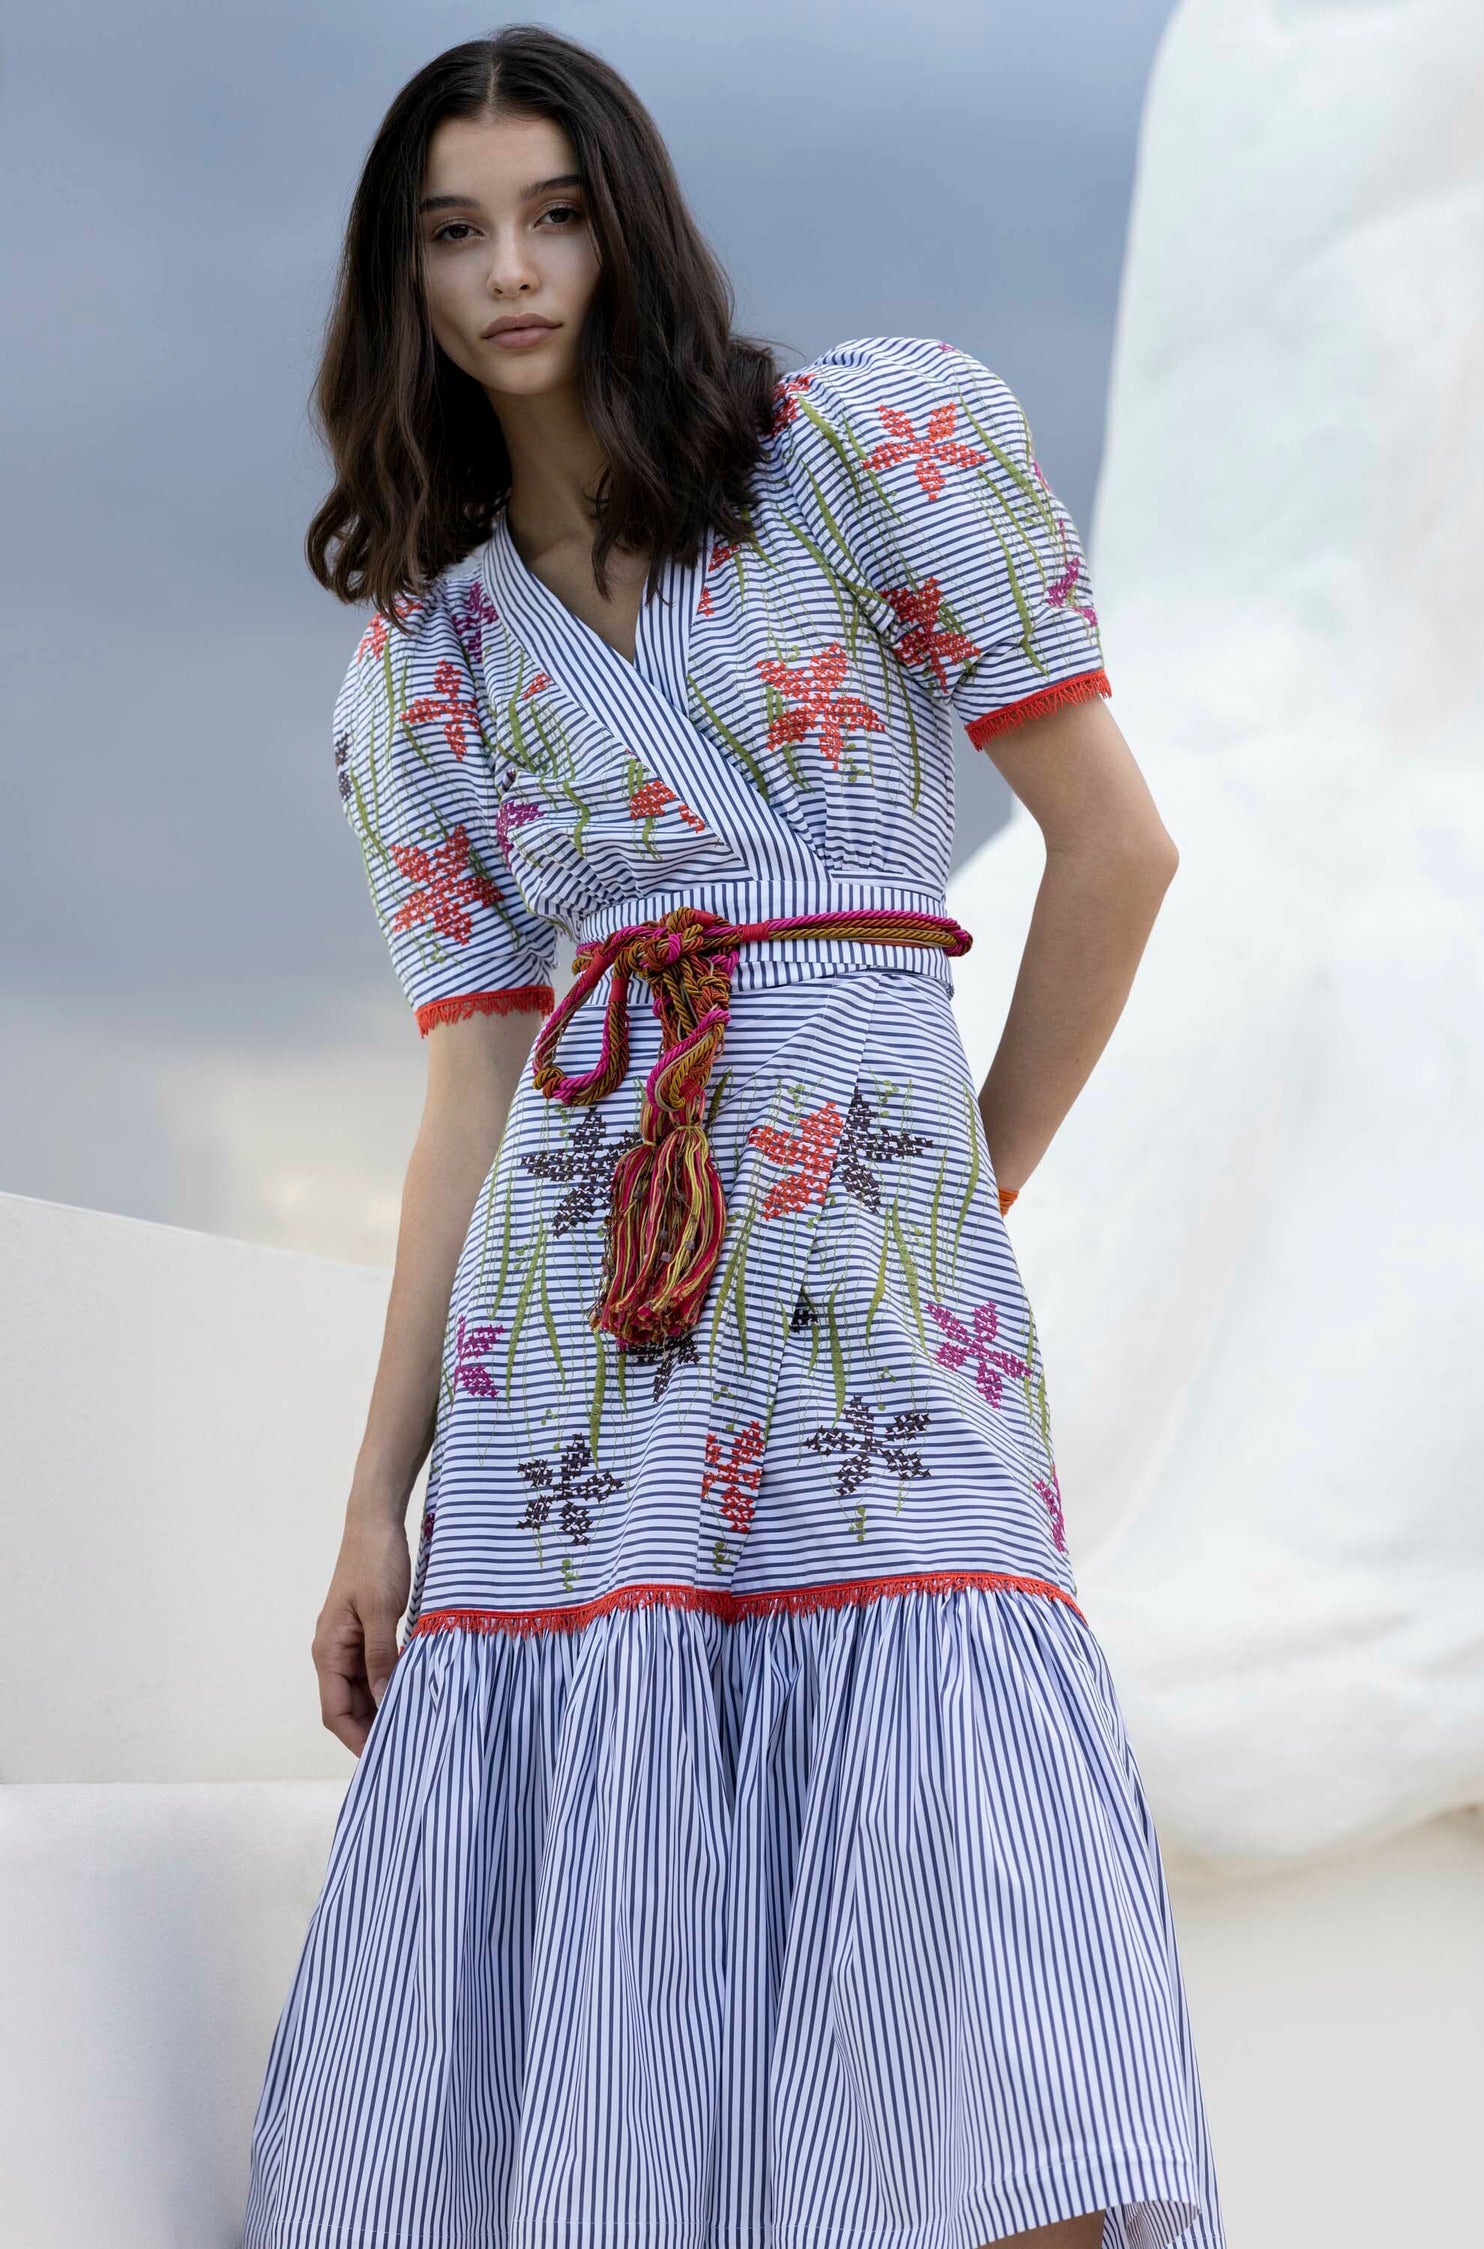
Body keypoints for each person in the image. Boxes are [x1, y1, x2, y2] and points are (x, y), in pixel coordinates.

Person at [243, 26, 1225, 2249]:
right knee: (592, 1907)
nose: (514, 271)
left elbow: (1118, 853)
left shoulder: (866, 454)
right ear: (394, 282)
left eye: (558, 212)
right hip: (570, 1354)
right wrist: (372, 1503)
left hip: (873, 1283)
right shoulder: (428, 667)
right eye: (454, 231)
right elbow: (469, 1088)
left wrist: (952, 1186)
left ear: (635, 221)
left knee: (975, 1895)